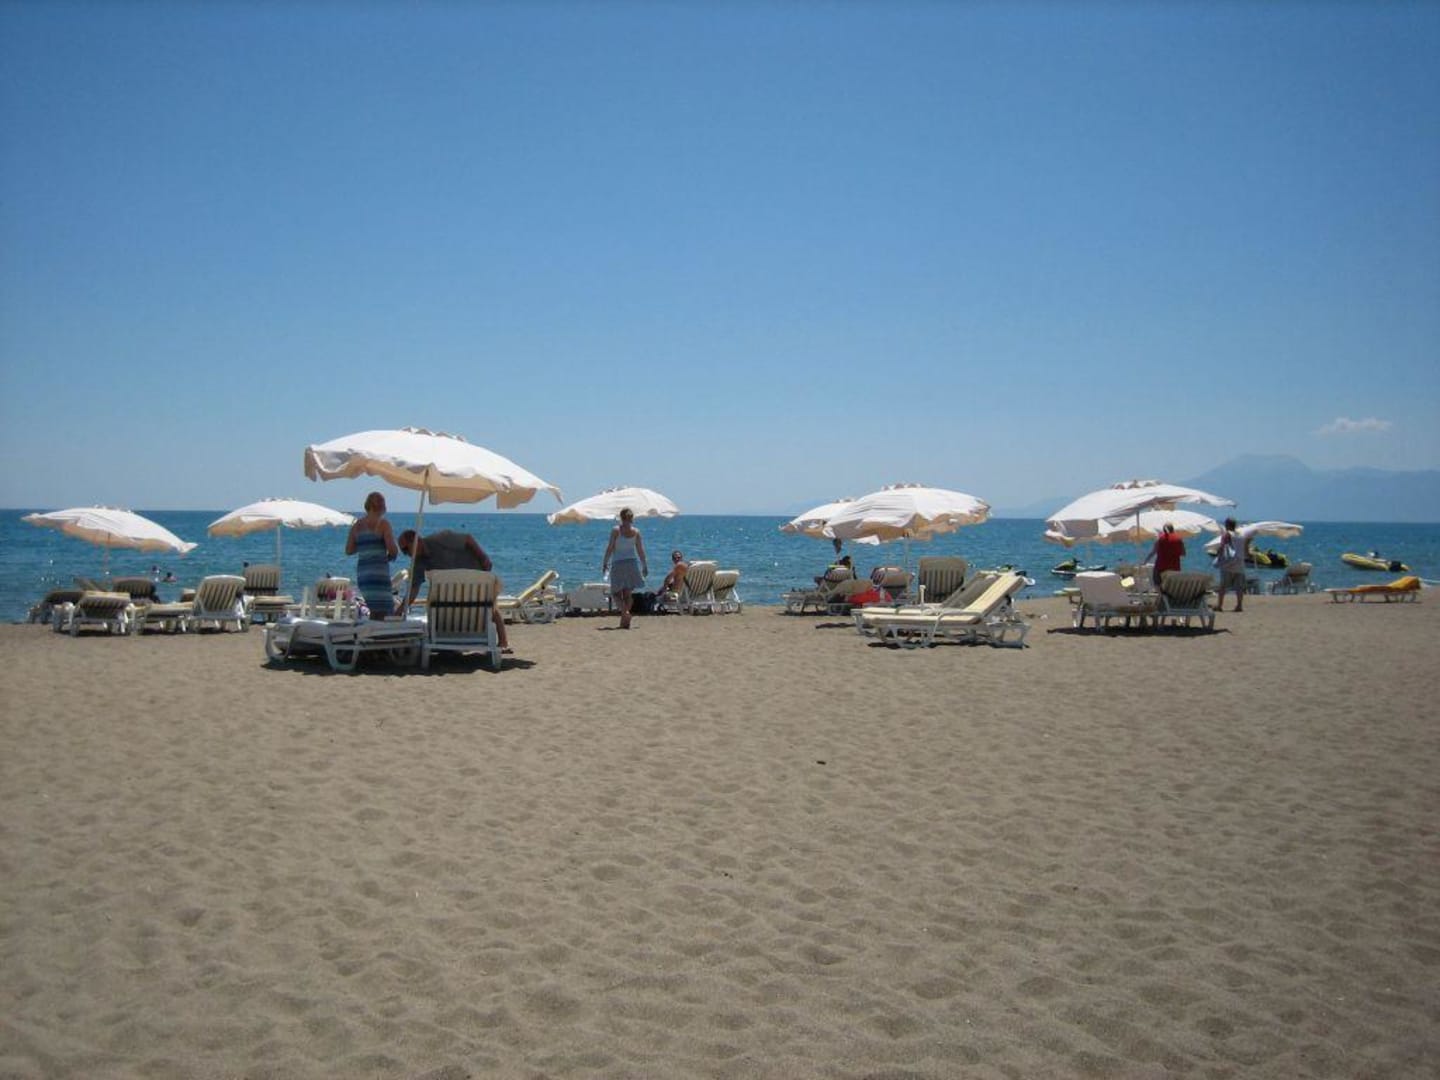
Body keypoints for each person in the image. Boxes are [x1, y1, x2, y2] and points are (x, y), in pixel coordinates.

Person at [396, 528, 509, 650]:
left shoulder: (440, 539)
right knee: (486, 604)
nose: (406, 554)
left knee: (485, 603)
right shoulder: (418, 562)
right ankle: (502, 642)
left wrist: (483, 557)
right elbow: (413, 590)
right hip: (464, 590)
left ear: (416, 540)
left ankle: (502, 641)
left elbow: (467, 539)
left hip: (473, 577)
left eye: (405, 549)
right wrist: (400, 610)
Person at [345, 491, 398, 618]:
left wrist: (366, 546)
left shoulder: (357, 525)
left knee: (374, 610)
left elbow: (349, 550)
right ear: (381, 506)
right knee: (385, 612)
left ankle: (371, 630)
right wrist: (392, 555)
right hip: (378, 574)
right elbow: (392, 550)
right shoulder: (383, 524)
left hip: (363, 575)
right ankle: (380, 631)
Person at [601, 507, 648, 629]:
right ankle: (624, 622)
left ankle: (625, 612)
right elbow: (640, 550)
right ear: (632, 518)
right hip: (632, 563)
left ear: (621, 518)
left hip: (618, 563)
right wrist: (644, 565)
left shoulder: (616, 530)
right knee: (627, 594)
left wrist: (605, 562)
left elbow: (610, 547)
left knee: (615, 593)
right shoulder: (636, 532)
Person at [1213, 517, 1250, 612]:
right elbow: (1246, 549)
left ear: (1227, 525)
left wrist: (1218, 554)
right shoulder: (1242, 535)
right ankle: (1239, 605)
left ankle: (1220, 605)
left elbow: (1222, 546)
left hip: (1229, 564)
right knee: (1239, 587)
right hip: (1240, 563)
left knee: (1223, 586)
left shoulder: (1227, 534)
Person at [1146, 522, 1186, 588]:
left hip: (1161, 567)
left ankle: (1161, 593)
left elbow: (1153, 552)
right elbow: (1183, 553)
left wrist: (1145, 561)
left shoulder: (1160, 539)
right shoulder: (1179, 540)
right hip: (1174, 568)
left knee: (1157, 584)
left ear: (1164, 530)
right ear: (1173, 529)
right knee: (1173, 586)